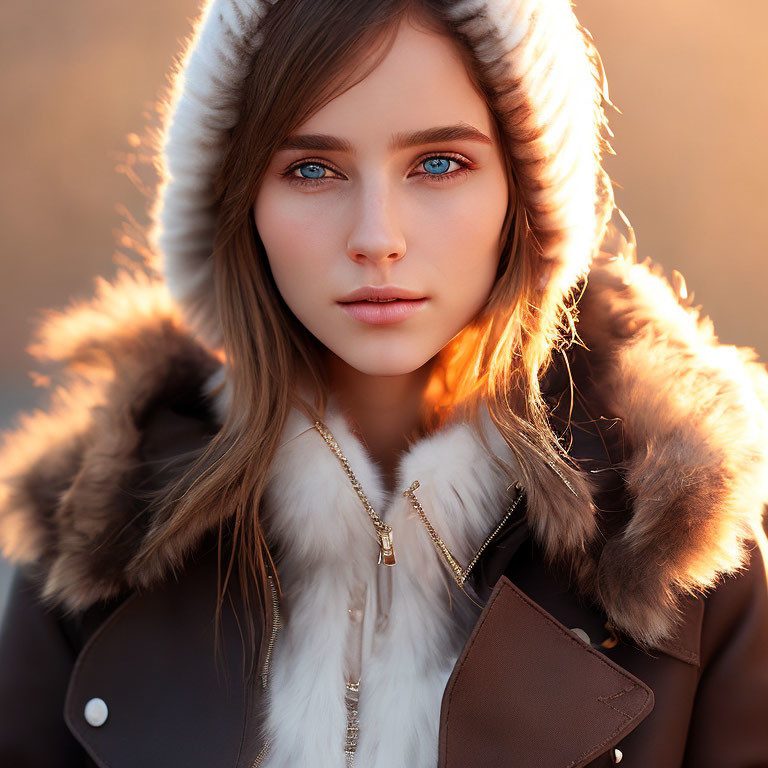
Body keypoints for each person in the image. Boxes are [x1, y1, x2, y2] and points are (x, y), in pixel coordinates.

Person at [1, 0, 767, 765]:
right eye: (311, 169)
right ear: (241, 205)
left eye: (439, 164)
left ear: (524, 195)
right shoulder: (98, 542)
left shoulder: (679, 546)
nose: (377, 238)